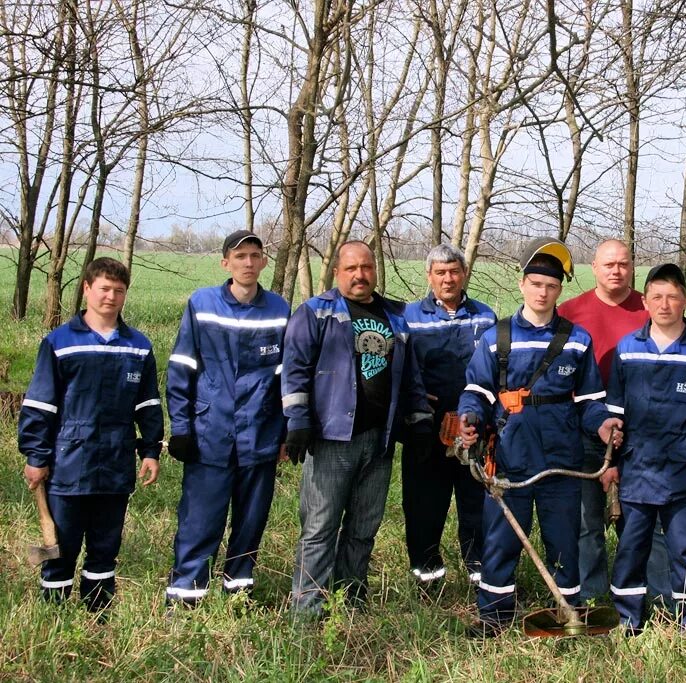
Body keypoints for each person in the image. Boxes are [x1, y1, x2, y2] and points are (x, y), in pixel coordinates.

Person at [458, 237, 619, 635]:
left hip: (561, 463)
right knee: (502, 540)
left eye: (550, 286)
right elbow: (476, 392)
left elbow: (590, 401)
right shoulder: (497, 336)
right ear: (522, 284)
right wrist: (469, 417)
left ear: (559, 290)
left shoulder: (577, 340)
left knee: (564, 541)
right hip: (509, 458)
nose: (543, 292)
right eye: (536, 283)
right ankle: (494, 618)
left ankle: (567, 616)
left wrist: (603, 424)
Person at [283, 240, 432, 617]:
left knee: (364, 527)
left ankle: (350, 601)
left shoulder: (394, 317)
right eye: (351, 269)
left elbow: (410, 377)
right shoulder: (316, 313)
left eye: (366, 268)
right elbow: (295, 369)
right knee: (319, 527)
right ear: (337, 272)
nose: (360, 275)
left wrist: (419, 421)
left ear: (374, 270)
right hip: (331, 439)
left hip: (378, 442)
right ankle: (308, 610)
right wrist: (298, 421)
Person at [19, 257, 163, 612]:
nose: (111, 297)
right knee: (62, 544)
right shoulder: (59, 342)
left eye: (119, 290)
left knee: (105, 545)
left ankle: (98, 615)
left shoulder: (138, 346)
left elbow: (147, 404)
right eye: (104, 289)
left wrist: (150, 450)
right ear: (87, 289)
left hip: (115, 465)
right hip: (67, 465)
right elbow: (40, 404)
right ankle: (53, 614)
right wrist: (36, 457)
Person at [600, 264, 686, 633]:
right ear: (644, 301)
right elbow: (614, 414)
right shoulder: (629, 349)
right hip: (636, 472)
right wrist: (609, 463)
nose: (664, 304)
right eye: (656, 296)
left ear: (685, 301)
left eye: (672, 296)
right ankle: (628, 620)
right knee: (630, 551)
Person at [164, 230, 290, 606]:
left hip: (260, 435)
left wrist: (285, 431)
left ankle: (238, 593)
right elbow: (182, 367)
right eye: (239, 257)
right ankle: (187, 594)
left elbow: (288, 377)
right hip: (209, 435)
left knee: (251, 523)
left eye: (254, 255)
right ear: (225, 263)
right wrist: (182, 428)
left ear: (264, 261)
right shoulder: (202, 304)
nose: (248, 263)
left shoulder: (279, 310)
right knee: (200, 520)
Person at [557, 238, 650, 602]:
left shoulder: (650, 307)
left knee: (637, 520)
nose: (616, 271)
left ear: (632, 268)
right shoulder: (569, 312)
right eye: (608, 264)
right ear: (593, 268)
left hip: (638, 432)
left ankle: (635, 591)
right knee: (585, 521)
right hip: (581, 429)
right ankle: (592, 595)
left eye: (623, 264)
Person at [401, 244, 496, 590]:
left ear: (464, 273)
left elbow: (495, 372)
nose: (448, 279)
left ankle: (480, 577)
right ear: (429, 276)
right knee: (425, 507)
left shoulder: (486, 317)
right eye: (440, 273)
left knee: (476, 505)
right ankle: (427, 577)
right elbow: (400, 371)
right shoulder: (410, 317)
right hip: (426, 429)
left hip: (474, 428)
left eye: (454, 271)